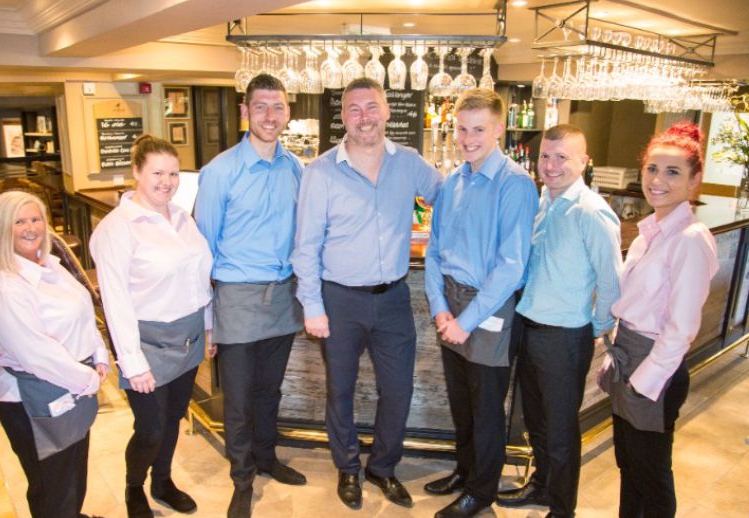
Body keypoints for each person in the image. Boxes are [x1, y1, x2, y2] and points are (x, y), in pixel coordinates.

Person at [292, 77, 443, 510]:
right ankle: (347, 467)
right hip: (339, 299)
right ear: (343, 117)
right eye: (354, 109)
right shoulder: (320, 171)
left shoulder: (409, 162)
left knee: (398, 390)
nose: (364, 117)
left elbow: (449, 198)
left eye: (371, 107)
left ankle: (382, 467)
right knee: (340, 390)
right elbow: (305, 246)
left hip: (393, 298)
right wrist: (313, 305)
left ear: (387, 111)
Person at [194, 73, 306, 518]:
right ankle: (242, 478)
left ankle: (266, 457)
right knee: (238, 399)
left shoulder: (296, 168)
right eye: (260, 106)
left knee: (269, 391)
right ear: (245, 111)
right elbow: (203, 250)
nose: (270, 115)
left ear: (288, 112)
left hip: (283, 296)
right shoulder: (220, 172)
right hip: (237, 296)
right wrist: (207, 319)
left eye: (278, 106)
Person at [498, 124, 623, 518]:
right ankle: (541, 486)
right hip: (529, 326)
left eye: (562, 157)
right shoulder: (542, 202)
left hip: (565, 336)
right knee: (535, 421)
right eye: (545, 157)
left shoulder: (591, 211)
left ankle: (562, 508)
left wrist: (596, 327)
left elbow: (611, 281)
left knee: (561, 429)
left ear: (584, 162)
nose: (551, 165)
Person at [424, 89, 538, 518]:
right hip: (450, 305)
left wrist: (466, 321)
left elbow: (511, 267)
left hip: (489, 308)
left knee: (487, 407)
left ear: (498, 130)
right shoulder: (453, 181)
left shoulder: (515, 184)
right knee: (462, 403)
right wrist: (440, 307)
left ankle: (481, 492)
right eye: (462, 129)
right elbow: (435, 251)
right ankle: (465, 471)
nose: (468, 139)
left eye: (478, 130)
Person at [90, 135, 213, 518]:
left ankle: (163, 481)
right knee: (151, 429)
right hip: (147, 344)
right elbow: (115, 301)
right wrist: (132, 361)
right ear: (137, 172)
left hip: (189, 336)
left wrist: (209, 326)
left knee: (173, 418)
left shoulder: (182, 217)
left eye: (173, 173)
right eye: (158, 173)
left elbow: (199, 277)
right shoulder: (117, 228)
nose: (167, 181)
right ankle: (134, 486)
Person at [599, 121, 718, 517]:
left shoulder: (690, 239)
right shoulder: (650, 231)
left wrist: (642, 381)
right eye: (652, 168)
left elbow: (681, 329)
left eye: (672, 172)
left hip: (655, 370)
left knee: (651, 476)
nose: (657, 180)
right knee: (629, 467)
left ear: (694, 181)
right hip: (629, 358)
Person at [0, 190, 109, 518]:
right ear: (0, 229)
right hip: (32, 399)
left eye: (36, 219)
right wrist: (88, 379)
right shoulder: (6, 287)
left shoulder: (50, 265)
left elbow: (83, 310)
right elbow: (37, 355)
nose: (30, 228)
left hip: (70, 388)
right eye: (19, 222)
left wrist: (99, 354)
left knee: (72, 475)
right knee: (52, 488)